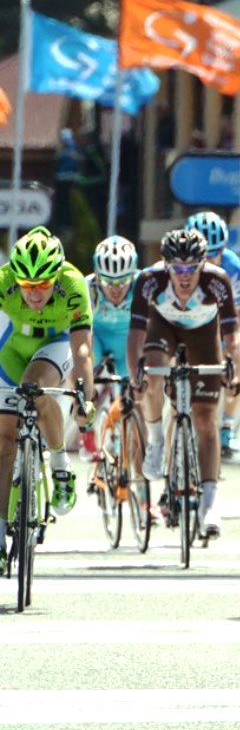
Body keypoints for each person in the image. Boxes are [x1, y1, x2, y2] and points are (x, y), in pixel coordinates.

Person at [129, 228, 240, 539]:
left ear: (202, 265)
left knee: (206, 417)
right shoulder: (148, 280)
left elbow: (233, 335)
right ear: (166, 265)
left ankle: (210, 503)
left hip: (203, 334)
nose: (184, 276)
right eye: (177, 268)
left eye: (191, 268)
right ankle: (155, 440)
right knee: (152, 372)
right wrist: (134, 376)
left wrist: (233, 370)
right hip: (162, 328)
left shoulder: (217, 281)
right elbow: (136, 334)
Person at [0, 228, 94, 547]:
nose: (35, 293)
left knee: (36, 389)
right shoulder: (4, 282)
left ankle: (59, 465)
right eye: (27, 286)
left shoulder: (73, 284)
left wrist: (84, 397)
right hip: (12, 350)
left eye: (42, 284)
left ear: (56, 277)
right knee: (4, 440)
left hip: (55, 347)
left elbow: (82, 350)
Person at [184, 211, 240, 457]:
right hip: (188, 326)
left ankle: (228, 422)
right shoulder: (180, 268)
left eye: (215, 254)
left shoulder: (235, 270)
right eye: (203, 256)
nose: (208, 261)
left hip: (222, 328)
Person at [83, 236, 139, 458]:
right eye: (108, 282)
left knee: (134, 385)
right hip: (97, 336)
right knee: (83, 364)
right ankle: (85, 427)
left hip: (127, 339)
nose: (115, 289)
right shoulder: (88, 287)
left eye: (123, 282)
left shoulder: (143, 285)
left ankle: (123, 430)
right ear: (97, 277)